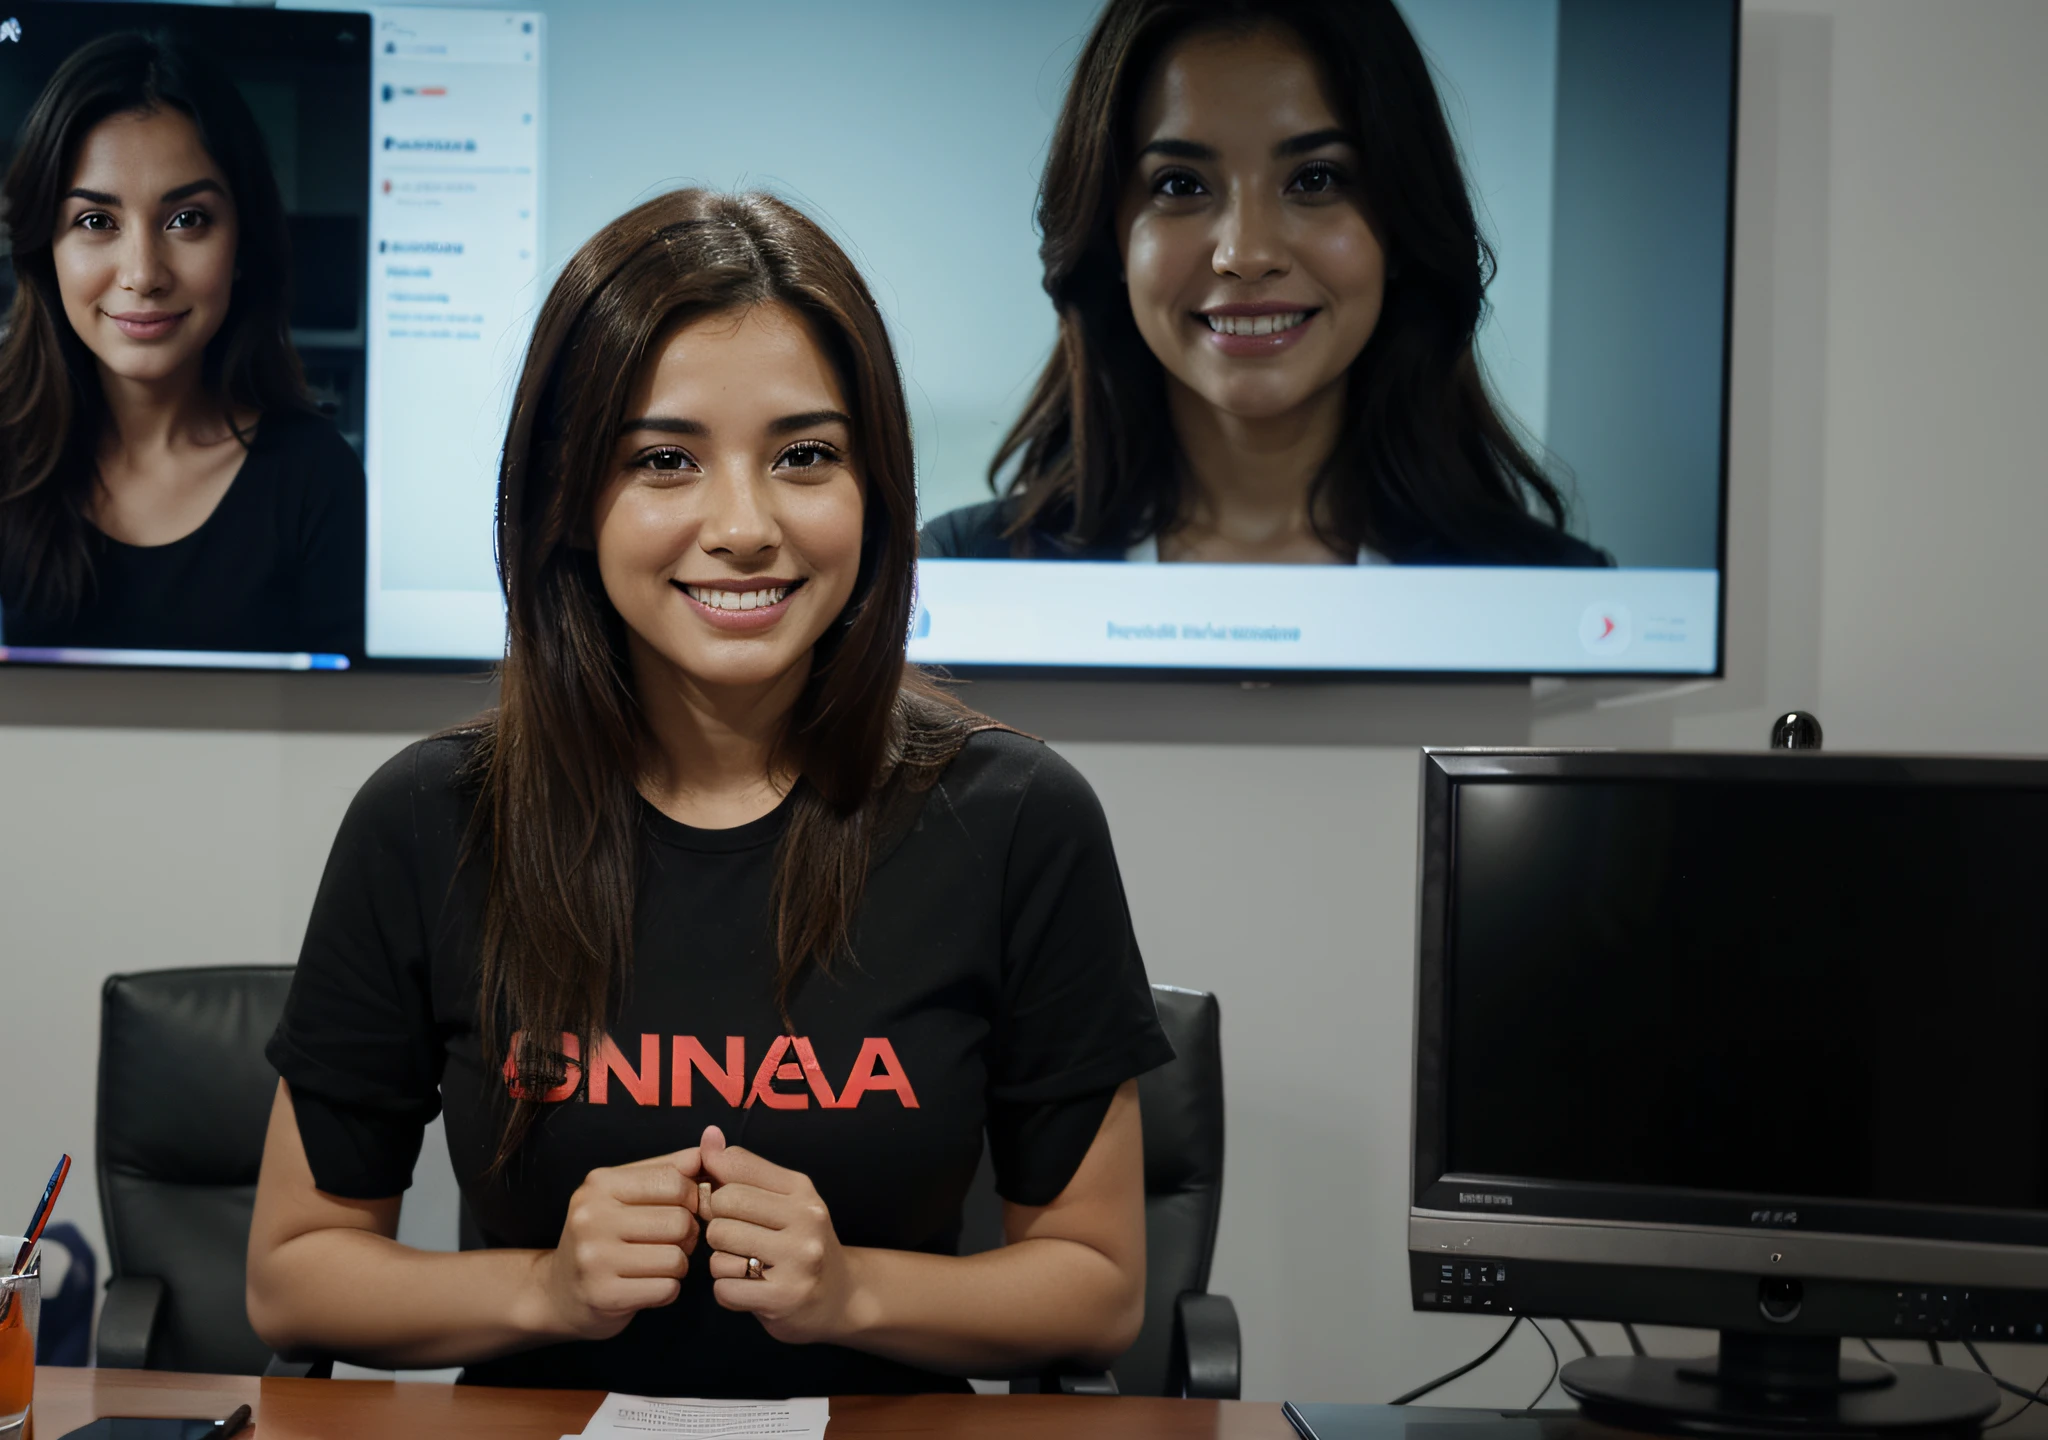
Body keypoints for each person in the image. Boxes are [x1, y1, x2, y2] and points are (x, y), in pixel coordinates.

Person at [246, 189, 1172, 1398]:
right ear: (570, 499)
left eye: (804, 456)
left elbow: (1096, 1285)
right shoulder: (428, 819)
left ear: (874, 487)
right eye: (664, 460)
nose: (743, 526)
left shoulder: (1013, 818)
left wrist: (855, 1292)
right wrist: (542, 1289)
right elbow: (294, 1270)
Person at [921, 0, 1608, 568]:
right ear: (1111, 238)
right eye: (1180, 184)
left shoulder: (1555, 587)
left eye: (1315, 178)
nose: (1246, 254)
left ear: (1400, 222)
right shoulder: (963, 572)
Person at [0, 32, 365, 657]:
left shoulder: (316, 478)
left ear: (242, 243)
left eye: (187, 219)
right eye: (96, 222)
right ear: (45, 250)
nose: (143, 274)